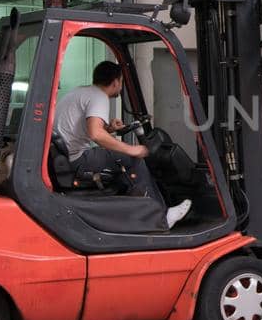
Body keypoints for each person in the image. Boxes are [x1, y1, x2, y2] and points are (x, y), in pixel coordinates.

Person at [51, 60, 192, 229]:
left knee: (121, 158)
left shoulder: (81, 92)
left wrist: (110, 129)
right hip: (76, 160)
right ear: (116, 81)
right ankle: (162, 217)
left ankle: (136, 215)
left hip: (64, 157)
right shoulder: (99, 97)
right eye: (122, 82)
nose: (121, 86)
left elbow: (88, 130)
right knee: (132, 159)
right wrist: (132, 149)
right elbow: (96, 134)